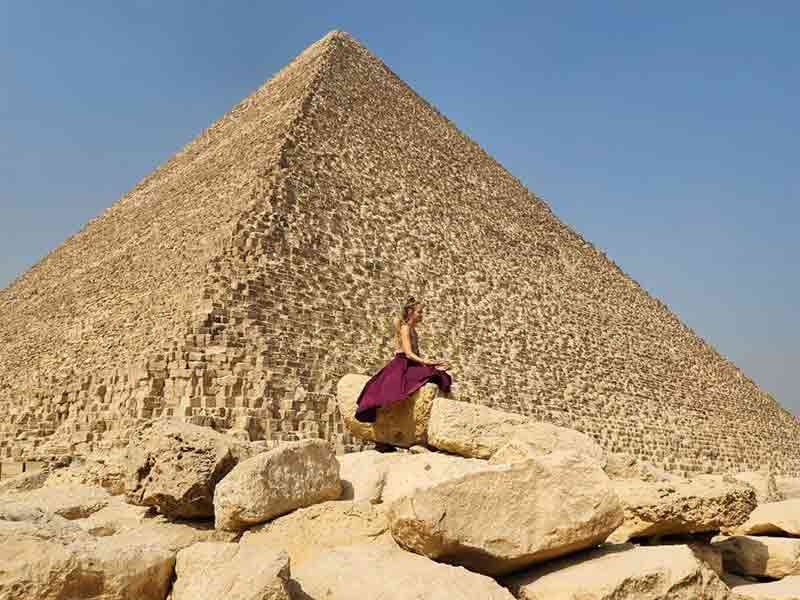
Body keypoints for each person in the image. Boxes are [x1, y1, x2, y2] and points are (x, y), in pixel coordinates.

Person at [354, 297, 452, 423]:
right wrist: (429, 363)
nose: (422, 315)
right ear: (411, 312)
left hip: (412, 363)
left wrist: (433, 364)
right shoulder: (405, 328)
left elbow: (416, 354)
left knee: (440, 373)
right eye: (419, 312)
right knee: (434, 374)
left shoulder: (413, 330)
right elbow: (409, 354)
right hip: (402, 365)